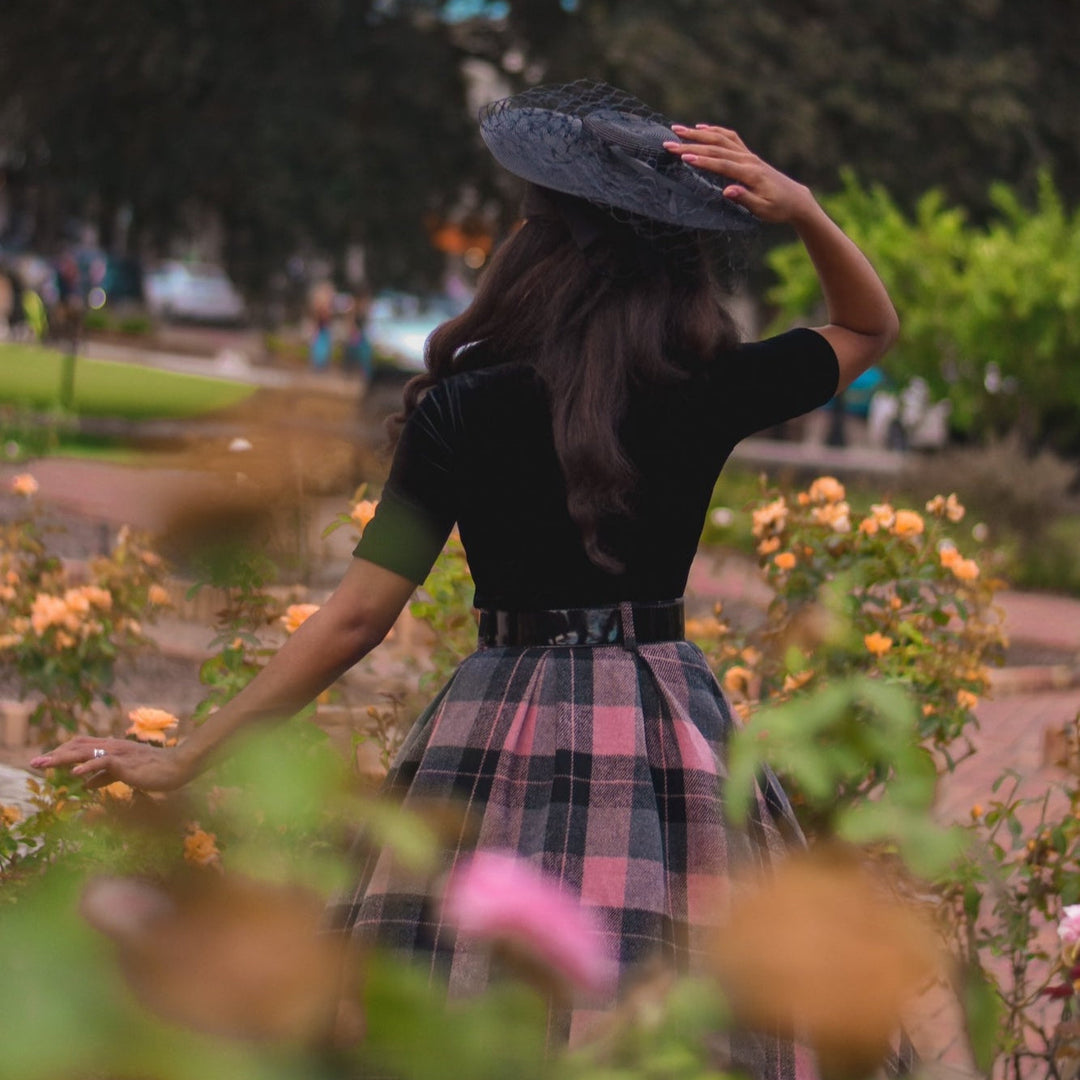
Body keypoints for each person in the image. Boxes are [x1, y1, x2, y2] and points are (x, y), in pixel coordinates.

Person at [32, 82, 899, 1074]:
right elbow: (868, 329)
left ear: (535, 252)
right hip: (666, 722)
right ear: (675, 269)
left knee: (449, 1005)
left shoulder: (461, 410)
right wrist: (802, 209)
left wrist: (187, 756)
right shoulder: (708, 386)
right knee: (677, 1002)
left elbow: (357, 618)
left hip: (497, 720)